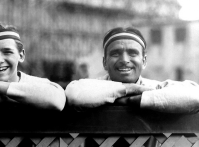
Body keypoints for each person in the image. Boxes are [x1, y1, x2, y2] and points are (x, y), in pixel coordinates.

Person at [65, 27, 199, 113]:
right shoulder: (94, 87)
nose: (124, 59)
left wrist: (134, 100)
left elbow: (195, 95)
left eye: (132, 53)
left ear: (144, 61)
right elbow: (73, 95)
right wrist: (129, 90)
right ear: (105, 62)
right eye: (115, 53)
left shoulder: (152, 88)